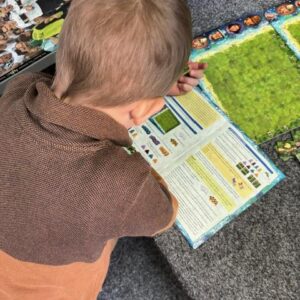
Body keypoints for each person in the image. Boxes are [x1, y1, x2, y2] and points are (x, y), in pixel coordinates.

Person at [0, 0, 206, 299]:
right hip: (54, 280)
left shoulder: (18, 90)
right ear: (146, 110)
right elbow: (163, 216)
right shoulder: (125, 184)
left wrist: (141, 89)